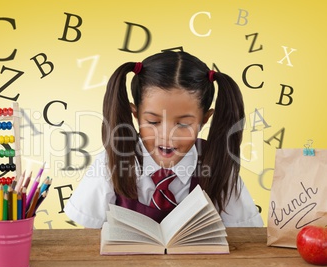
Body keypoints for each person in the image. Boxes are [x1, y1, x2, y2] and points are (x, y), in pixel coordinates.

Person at [64, 51, 263, 228]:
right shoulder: (110, 164)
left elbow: (246, 234)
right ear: (136, 115)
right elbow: (87, 236)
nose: (167, 135)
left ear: (204, 120)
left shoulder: (220, 167)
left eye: (183, 124)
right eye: (153, 121)